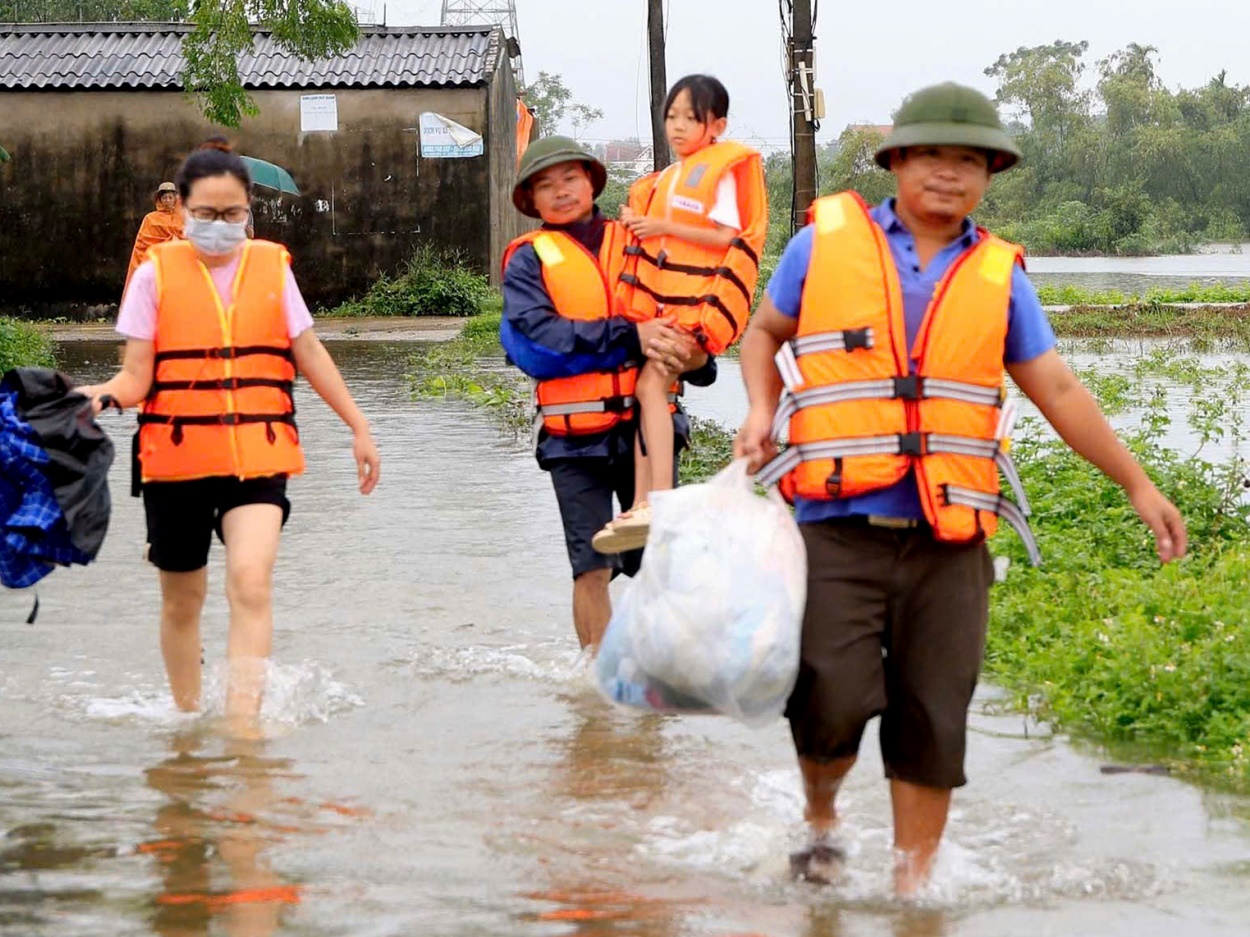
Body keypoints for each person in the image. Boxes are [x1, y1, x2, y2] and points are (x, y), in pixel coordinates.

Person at [733, 83, 1188, 896]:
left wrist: (1138, 485)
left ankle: (914, 889)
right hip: (835, 522)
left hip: (951, 535)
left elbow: (1057, 387)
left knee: (934, 714)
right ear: (899, 161)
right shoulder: (822, 246)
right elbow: (764, 332)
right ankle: (824, 822)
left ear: (989, 175)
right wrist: (762, 409)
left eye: (971, 161)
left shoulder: (997, 274)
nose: (951, 174)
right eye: (934, 156)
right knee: (829, 695)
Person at [78, 137, 381, 730]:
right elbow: (135, 377)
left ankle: (243, 730)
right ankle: (189, 724)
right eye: (206, 214)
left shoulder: (272, 267)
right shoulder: (154, 276)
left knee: (250, 581)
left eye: (232, 213)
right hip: (177, 461)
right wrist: (91, 397)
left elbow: (309, 351)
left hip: (258, 457)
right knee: (183, 600)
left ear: (249, 212)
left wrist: (358, 425)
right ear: (181, 211)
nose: (219, 225)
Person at [499, 135, 717, 650]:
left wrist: (697, 357)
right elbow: (539, 337)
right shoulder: (528, 261)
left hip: (649, 429)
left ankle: (661, 670)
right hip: (573, 441)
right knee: (590, 567)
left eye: (570, 178)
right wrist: (628, 336)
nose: (560, 192)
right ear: (530, 201)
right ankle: (597, 687)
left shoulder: (641, 240)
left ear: (592, 181)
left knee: (657, 562)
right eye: (545, 186)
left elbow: (691, 314)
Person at [593, 75, 768, 555]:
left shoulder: (721, 174)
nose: (677, 125)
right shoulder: (668, 178)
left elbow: (727, 238)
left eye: (690, 117)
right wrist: (638, 227)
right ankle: (641, 503)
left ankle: (658, 500)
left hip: (696, 311)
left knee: (650, 387)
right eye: (672, 115)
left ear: (717, 125)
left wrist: (660, 224)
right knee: (649, 390)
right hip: (667, 306)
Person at [126, 182, 184, 294]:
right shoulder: (150, 219)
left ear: (175, 199)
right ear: (159, 200)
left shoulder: (182, 218)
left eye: (170, 197)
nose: (167, 200)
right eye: (164, 198)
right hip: (157, 263)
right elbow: (143, 245)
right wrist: (169, 241)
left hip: (178, 264)